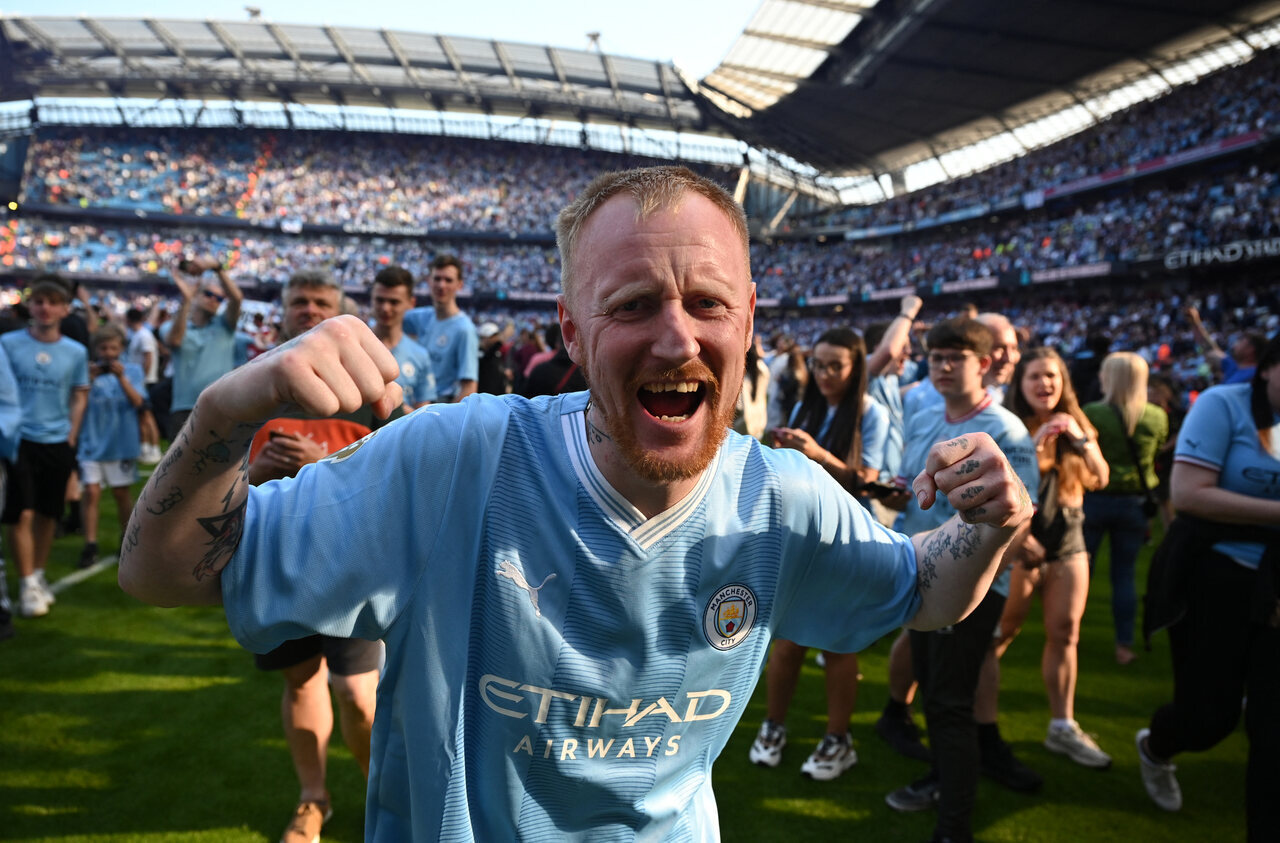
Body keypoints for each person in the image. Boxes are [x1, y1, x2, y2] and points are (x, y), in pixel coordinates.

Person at [120, 166, 1033, 841]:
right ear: (571, 329)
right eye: (633, 303)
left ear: (748, 320)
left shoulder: (780, 497)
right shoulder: (456, 459)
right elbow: (159, 572)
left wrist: (987, 524)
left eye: (707, 302)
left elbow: (923, 592)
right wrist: (223, 414)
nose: (677, 337)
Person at [245, 269, 394, 843]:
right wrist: (255, 473)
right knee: (302, 684)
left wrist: (322, 463)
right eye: (298, 300)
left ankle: (382, 793)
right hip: (277, 563)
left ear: (340, 312)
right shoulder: (251, 384)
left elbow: (395, 481)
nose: (308, 309)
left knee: (358, 693)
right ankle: (314, 799)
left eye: (320, 302)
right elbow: (217, 480)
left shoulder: (368, 389)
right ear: (281, 311)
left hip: (352, 568)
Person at [884, 318, 1039, 843]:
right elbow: (912, 491)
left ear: (987, 363)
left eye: (957, 357)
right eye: (936, 358)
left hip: (974, 589)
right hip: (921, 576)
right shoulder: (926, 412)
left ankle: (954, 827)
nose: (944, 367)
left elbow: (1021, 519)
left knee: (951, 704)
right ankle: (942, 780)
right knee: (934, 694)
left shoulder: (1005, 430)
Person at [1136, 335, 1279, 837]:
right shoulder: (1223, 405)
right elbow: (1188, 494)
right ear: (1266, 370)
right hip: (1215, 575)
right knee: (1208, 717)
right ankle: (1157, 746)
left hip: (1276, 586)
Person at [750, 327, 887, 780]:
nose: (826, 374)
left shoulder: (872, 413)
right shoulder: (805, 404)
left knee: (836, 642)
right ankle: (773, 726)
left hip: (850, 539)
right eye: (819, 364)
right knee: (786, 641)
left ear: (857, 367)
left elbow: (872, 482)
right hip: (802, 533)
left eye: (837, 366)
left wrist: (817, 455)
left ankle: (837, 738)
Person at [995, 348, 1112, 769]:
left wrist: (1079, 440)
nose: (1045, 384)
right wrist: (1033, 446)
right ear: (1020, 385)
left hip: (1069, 537)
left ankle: (1062, 725)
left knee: (1065, 632)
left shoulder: (1075, 425)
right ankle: (969, 713)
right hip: (1021, 542)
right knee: (1001, 632)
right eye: (1035, 378)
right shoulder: (1007, 427)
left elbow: (1100, 477)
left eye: (1052, 377)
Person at [2, 275, 89, 619]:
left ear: (66, 309)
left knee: (48, 514)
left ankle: (37, 573)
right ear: (29, 305)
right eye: (39, 301)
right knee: (20, 512)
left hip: (57, 441)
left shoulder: (76, 351)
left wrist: (71, 436)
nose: (45, 308)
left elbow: (80, 394)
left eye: (53, 301)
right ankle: (26, 583)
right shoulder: (8, 344)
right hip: (18, 439)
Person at [1082, 352, 1168, 666]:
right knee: (1125, 576)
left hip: (1096, 498)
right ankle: (1124, 645)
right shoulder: (1156, 415)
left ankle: (1069, 634)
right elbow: (1156, 450)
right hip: (1134, 502)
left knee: (1081, 573)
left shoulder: (1093, 412)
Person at [76, 324, 146, 570]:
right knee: (91, 492)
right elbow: (74, 403)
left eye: (113, 348)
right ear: (96, 349)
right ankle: (90, 544)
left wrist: (121, 377)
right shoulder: (86, 372)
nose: (107, 353)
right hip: (91, 440)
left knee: (120, 493)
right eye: (103, 348)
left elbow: (138, 401)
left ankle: (126, 539)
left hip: (120, 443)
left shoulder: (133, 370)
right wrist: (88, 380)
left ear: (121, 349)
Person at [161, 256, 243, 438]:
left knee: (220, 465)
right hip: (184, 408)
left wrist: (217, 268)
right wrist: (187, 299)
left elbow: (236, 298)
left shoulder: (225, 326)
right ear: (197, 294)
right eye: (209, 294)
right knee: (180, 467)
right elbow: (174, 341)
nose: (214, 300)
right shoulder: (173, 326)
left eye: (220, 298)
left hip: (221, 407)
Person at [402, 254, 478, 402]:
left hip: (439, 404)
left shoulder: (464, 330)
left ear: (459, 285)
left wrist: (447, 420)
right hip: (414, 402)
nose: (441, 285)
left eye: (448, 280)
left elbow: (469, 388)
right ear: (429, 281)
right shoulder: (422, 316)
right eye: (437, 279)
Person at [370, 265, 437, 410]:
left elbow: (422, 414)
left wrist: (398, 411)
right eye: (380, 300)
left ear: (411, 303)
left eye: (394, 302)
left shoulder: (420, 356)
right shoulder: (356, 345)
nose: (385, 308)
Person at [125, 307, 163, 464]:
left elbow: (148, 357)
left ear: (128, 319)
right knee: (142, 416)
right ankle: (146, 447)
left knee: (147, 416)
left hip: (143, 381)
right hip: (140, 380)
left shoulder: (143, 335)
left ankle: (154, 449)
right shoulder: (140, 334)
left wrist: (141, 378)